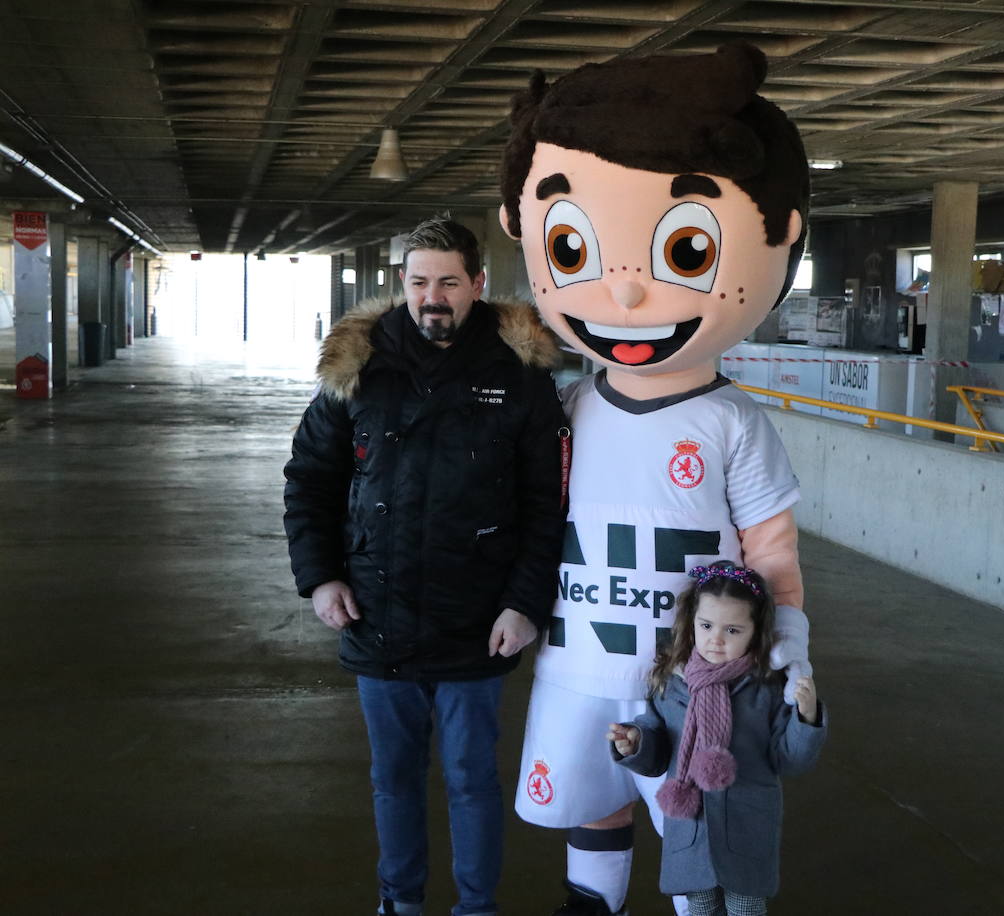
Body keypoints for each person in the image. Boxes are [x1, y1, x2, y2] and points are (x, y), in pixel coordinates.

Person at [497, 42, 815, 916]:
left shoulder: (735, 421)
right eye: (573, 245)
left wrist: (786, 646)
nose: (626, 296)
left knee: (693, 832)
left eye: (681, 249)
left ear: (782, 237)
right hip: (576, 661)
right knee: (589, 814)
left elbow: (772, 548)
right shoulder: (565, 405)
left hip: (692, 680)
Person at [282, 213, 567, 916]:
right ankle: (400, 903)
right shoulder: (357, 370)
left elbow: (546, 505)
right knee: (393, 779)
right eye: (417, 282)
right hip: (377, 615)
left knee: (472, 778)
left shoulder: (520, 378)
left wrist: (525, 603)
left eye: (447, 281)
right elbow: (309, 478)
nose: (431, 296)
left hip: (479, 622)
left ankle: (476, 907)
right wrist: (320, 577)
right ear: (401, 284)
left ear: (476, 283)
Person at [607, 563, 826, 916]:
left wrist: (807, 716)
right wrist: (635, 743)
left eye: (733, 630)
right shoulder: (670, 680)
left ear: (756, 632)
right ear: (691, 621)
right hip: (691, 827)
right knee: (701, 906)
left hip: (747, 825)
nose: (716, 639)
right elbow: (658, 751)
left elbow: (791, 760)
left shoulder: (766, 687)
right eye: (706, 625)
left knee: (746, 907)